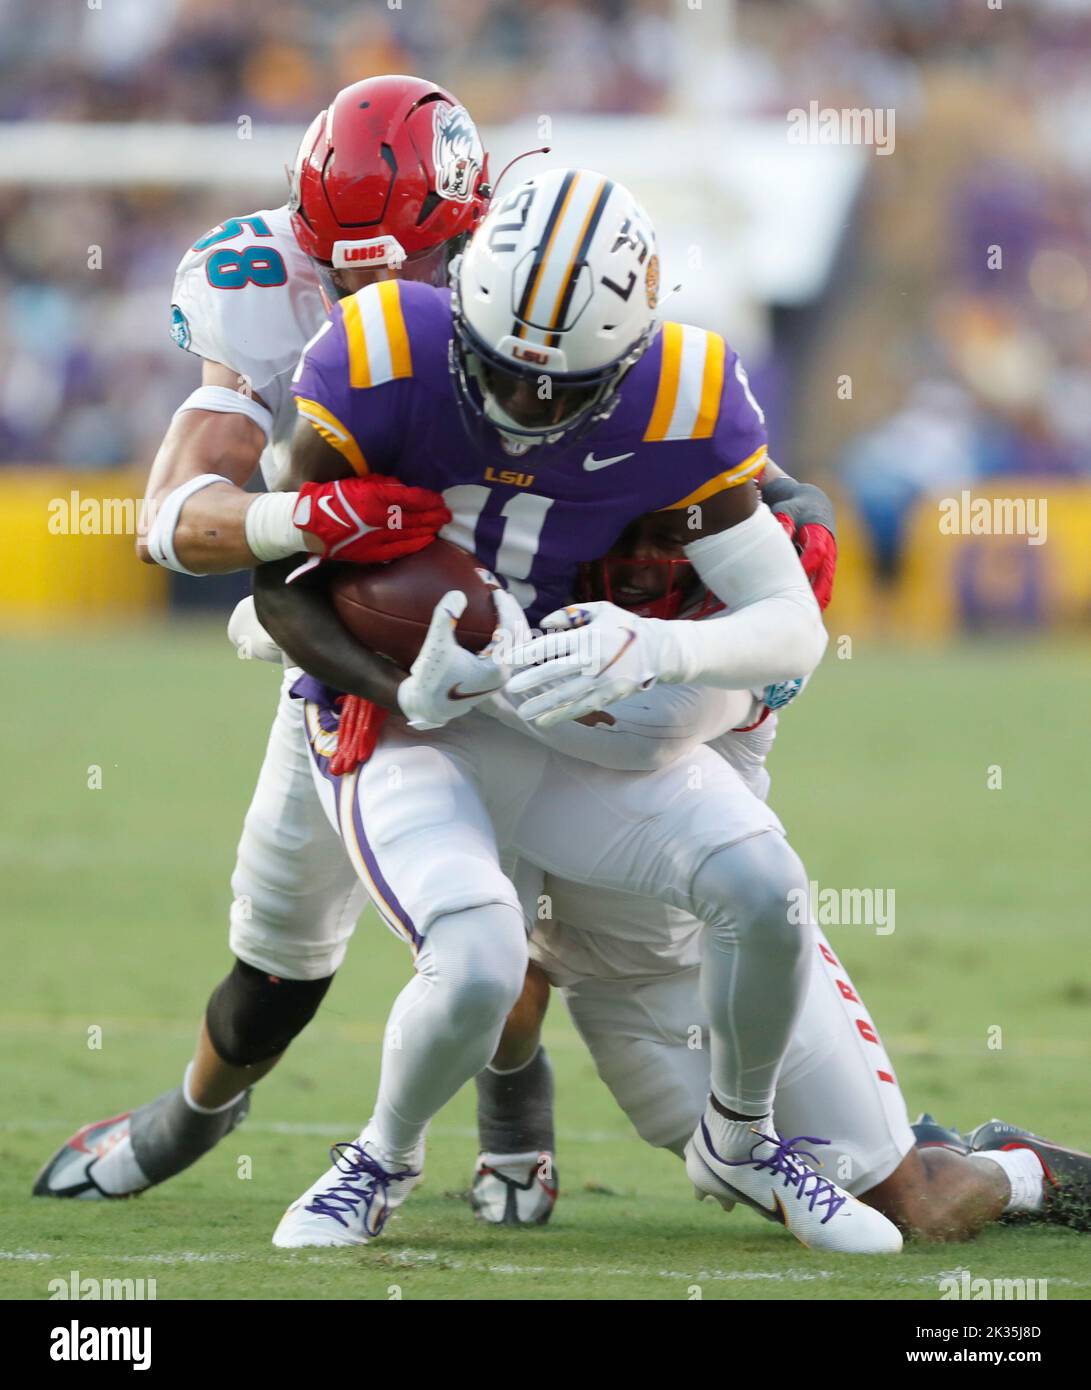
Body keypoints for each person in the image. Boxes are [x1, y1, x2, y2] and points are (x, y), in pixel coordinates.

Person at [255, 168, 901, 1254]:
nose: (527, 409)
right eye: (503, 373)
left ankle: (741, 1140)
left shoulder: (682, 391)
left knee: (766, 888)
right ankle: (380, 1157)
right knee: (478, 959)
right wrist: (393, 684)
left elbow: (790, 625)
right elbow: (279, 585)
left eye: (563, 389)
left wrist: (655, 645)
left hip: (562, 709)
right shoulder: (380, 350)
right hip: (411, 717)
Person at [32, 74, 486, 1202]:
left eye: (397, 269)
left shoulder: (525, 275)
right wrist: (310, 520)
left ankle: (518, 1134)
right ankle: (192, 1114)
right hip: (339, 647)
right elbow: (170, 521)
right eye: (344, 271)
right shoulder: (262, 285)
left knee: (529, 919)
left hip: (517, 625)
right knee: (276, 966)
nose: (369, 297)